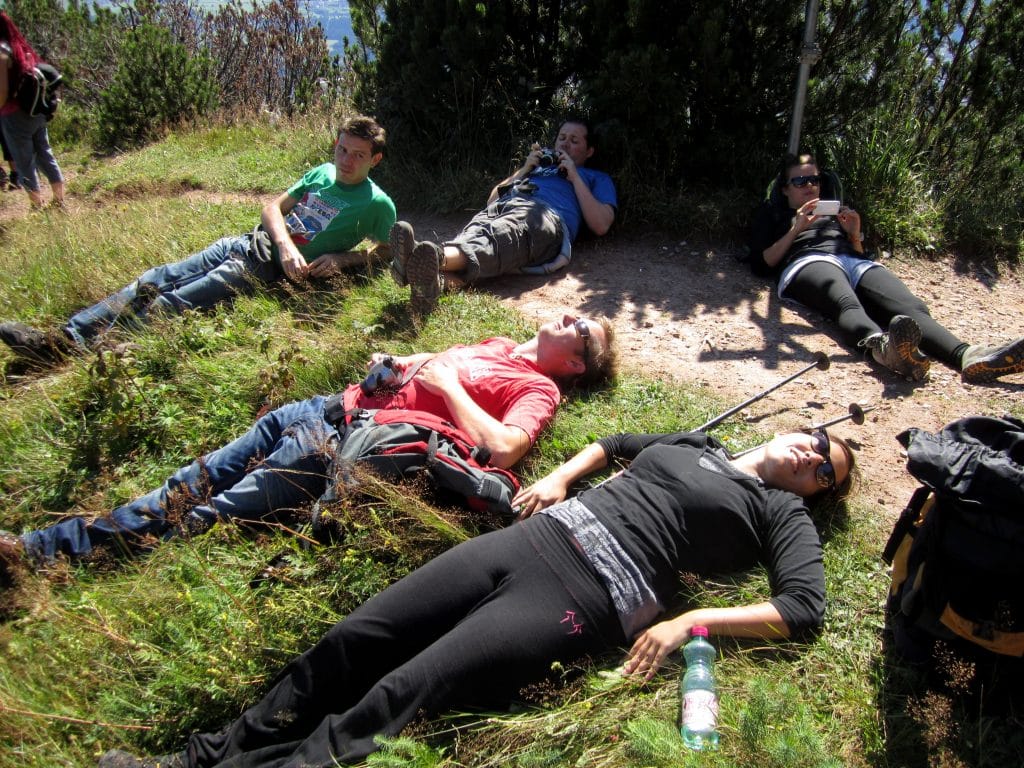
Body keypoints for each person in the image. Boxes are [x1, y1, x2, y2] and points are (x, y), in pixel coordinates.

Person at [95, 424, 851, 768]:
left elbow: (804, 610)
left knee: (404, 692)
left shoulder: (777, 514)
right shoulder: (698, 445)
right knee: (356, 640)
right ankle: (202, 758)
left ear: (814, 495)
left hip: (585, 597)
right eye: (818, 440)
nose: (812, 457)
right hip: (525, 541)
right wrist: (560, 477)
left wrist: (694, 618)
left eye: (826, 471)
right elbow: (619, 444)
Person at [0, 313, 614, 573]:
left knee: (207, 511)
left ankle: (46, 556)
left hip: (341, 445)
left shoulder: (540, 390)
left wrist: (450, 386)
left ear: (577, 365)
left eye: (581, 328)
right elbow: (428, 363)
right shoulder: (499, 346)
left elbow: (504, 448)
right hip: (324, 407)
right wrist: (400, 361)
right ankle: (40, 547)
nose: (569, 316)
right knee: (189, 482)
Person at [0, 115, 397, 366]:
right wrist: (285, 243)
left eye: (357, 155)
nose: (345, 160)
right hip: (248, 243)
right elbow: (272, 208)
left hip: (264, 268)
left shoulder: (378, 204)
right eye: (342, 149)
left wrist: (344, 259)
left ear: (374, 160)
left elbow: (385, 251)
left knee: (175, 300)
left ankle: (92, 353)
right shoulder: (321, 172)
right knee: (154, 277)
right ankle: (66, 338)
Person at [748, 152, 1024, 384]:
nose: (809, 186)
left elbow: (857, 254)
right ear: (785, 188)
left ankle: (967, 356)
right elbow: (762, 265)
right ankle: (883, 348)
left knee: (910, 306)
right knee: (846, 303)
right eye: (800, 181)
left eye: (814, 179)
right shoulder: (773, 214)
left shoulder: (832, 212)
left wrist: (854, 234)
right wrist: (797, 228)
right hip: (807, 260)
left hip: (854, 261)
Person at [389, 118, 617, 314]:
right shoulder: (538, 167)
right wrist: (525, 169)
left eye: (574, 141)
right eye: (561, 137)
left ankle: (434, 256)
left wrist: (575, 177)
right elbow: (492, 200)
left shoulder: (595, 177)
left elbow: (601, 224)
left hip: (543, 216)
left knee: (500, 236)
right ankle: (431, 283)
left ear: (589, 151)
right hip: (504, 206)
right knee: (480, 231)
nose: (565, 144)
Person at [0, 11, 63, 208]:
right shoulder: (20, 48)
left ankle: (36, 205)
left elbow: (2, 89)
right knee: (45, 153)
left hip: (13, 114)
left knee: (24, 161)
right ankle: (59, 200)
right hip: (36, 110)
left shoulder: (1, 52)